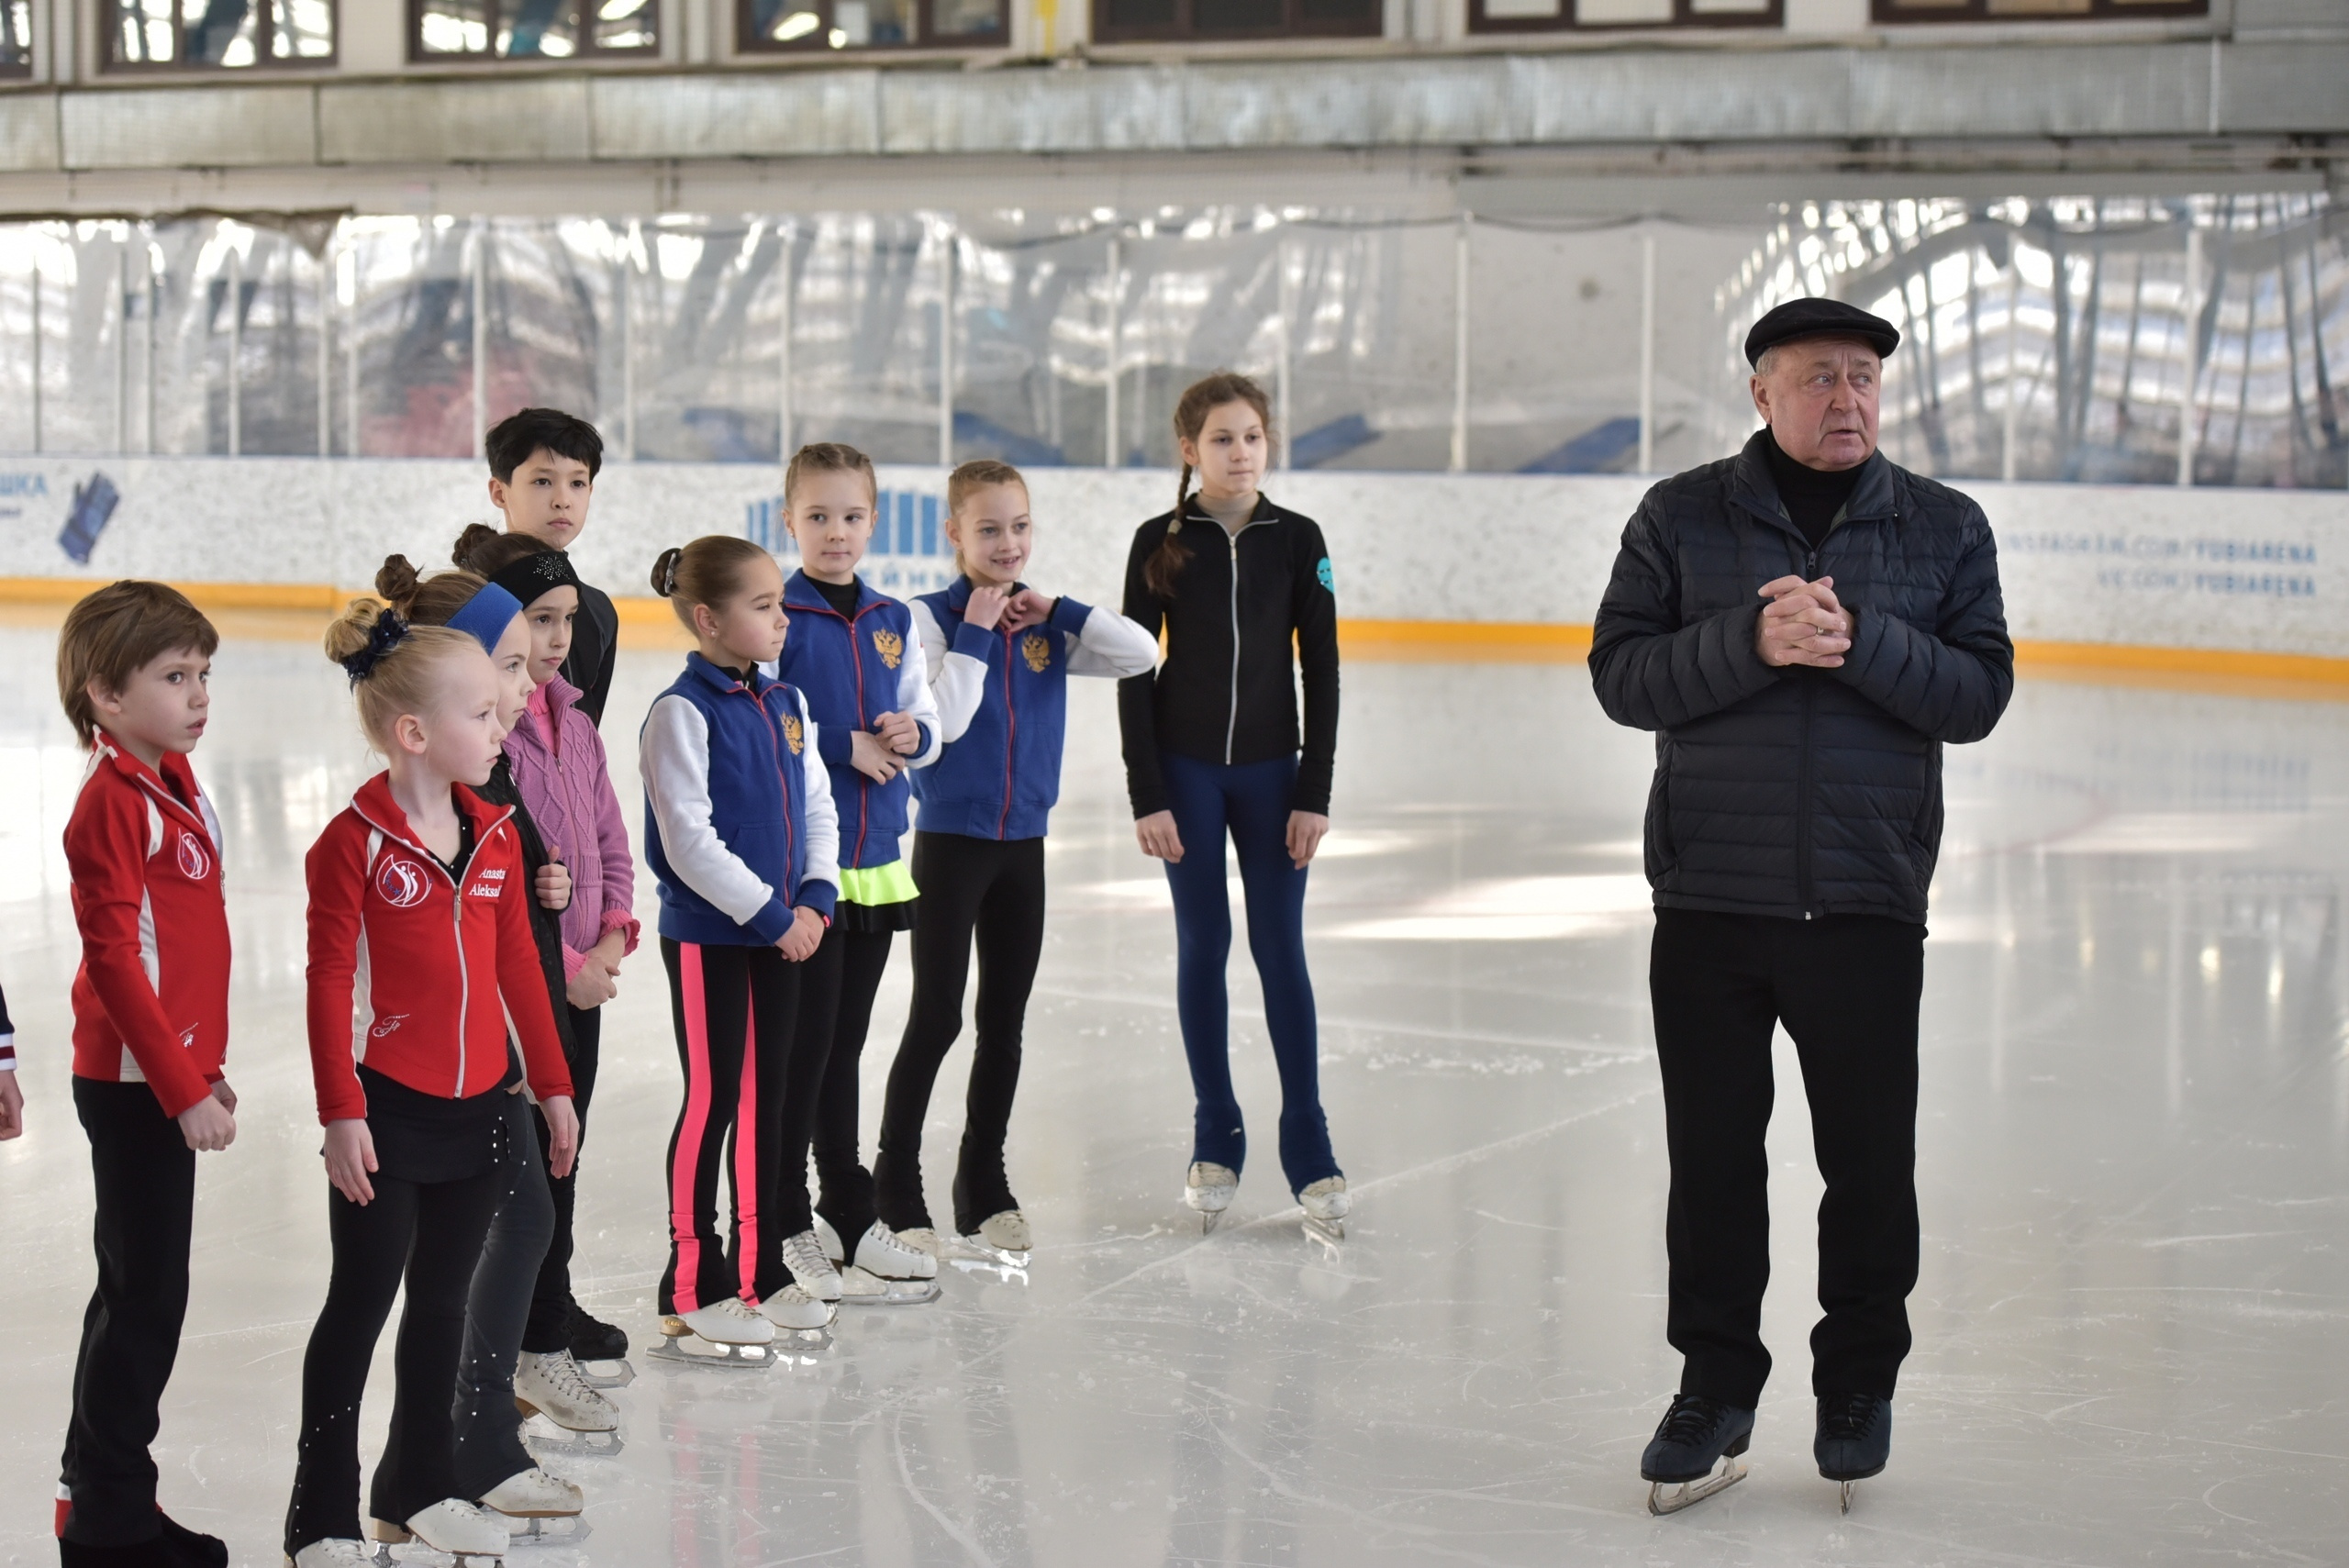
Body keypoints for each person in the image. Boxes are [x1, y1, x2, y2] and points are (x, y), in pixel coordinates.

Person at [1588, 297, 2013, 1515]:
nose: (1850, 400)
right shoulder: (1681, 515)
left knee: (1869, 1165)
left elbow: (1979, 690)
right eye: (1822, 377)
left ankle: (1855, 1388)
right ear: (1762, 393)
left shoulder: (1943, 527)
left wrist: (1862, 639)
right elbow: (1621, 674)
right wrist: (1751, 641)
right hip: (1712, 899)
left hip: (1868, 900)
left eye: (1867, 379)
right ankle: (1714, 1385)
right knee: (1713, 1164)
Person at [285, 600, 580, 1568]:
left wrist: (551, 1085)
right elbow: (329, 979)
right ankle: (318, 1517)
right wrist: (341, 1111)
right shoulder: (351, 842)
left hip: (484, 1109)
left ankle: (419, 1487)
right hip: (388, 1112)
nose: (504, 730)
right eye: (487, 716)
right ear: (415, 733)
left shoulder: (493, 832)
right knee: (360, 1308)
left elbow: (518, 971)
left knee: (444, 1307)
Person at [369, 555, 609, 1524]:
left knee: (517, 1229)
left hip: (496, 1061)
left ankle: (458, 1455)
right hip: (427, 1080)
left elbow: (515, 935)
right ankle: (432, 1467)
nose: (527, 680)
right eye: (510, 663)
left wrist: (543, 1073)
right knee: (435, 1272)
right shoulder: (438, 792)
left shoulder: (484, 783)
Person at [874, 459, 1157, 1262]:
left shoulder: (1046, 626)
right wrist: (975, 626)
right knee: (936, 1015)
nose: (1007, 543)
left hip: (1023, 848)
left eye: (1020, 526)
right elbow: (945, 723)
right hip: (951, 846)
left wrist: (1057, 609)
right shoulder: (925, 619)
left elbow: (1140, 654)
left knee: (1004, 1021)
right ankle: (896, 1184)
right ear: (954, 533)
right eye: (989, 528)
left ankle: (984, 1183)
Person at [1116, 372, 1346, 1241]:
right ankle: (1215, 1130)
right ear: (1189, 450)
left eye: (1252, 435)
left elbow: (1319, 670)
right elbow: (1136, 672)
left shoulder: (1299, 538)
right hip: (1186, 776)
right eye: (1221, 438)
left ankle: (1308, 1139)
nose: (1239, 451)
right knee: (1203, 942)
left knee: (1279, 947)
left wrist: (1313, 791)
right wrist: (1149, 793)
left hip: (1271, 778)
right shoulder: (1158, 542)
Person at [52, 581, 235, 1568]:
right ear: (106, 696)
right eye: (174, 676)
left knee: (137, 1291)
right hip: (131, 1086)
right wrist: (180, 1087)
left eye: (204, 673)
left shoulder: (170, 780)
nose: (199, 693)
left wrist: (206, 1068)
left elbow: (186, 949)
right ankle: (110, 1517)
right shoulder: (113, 802)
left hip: (162, 1075)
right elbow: (118, 961)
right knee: (145, 1299)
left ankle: (101, 1496)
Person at [640, 535, 840, 1357]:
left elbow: (818, 802)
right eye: (762, 605)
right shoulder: (680, 713)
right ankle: (692, 1282)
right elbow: (688, 840)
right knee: (714, 1099)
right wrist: (771, 916)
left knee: (770, 1100)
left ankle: (759, 1267)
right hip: (713, 940)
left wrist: (816, 897)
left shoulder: (787, 702)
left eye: (779, 601)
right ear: (708, 619)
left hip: (785, 932)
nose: (782, 616)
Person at [453, 524, 641, 1380]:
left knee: (566, 1151)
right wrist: (568, 968)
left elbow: (608, 837)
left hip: (584, 981)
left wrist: (608, 941)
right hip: (531, 985)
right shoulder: (496, 736)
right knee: (523, 1169)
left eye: (567, 618)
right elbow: (501, 887)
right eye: (540, 618)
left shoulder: (576, 719)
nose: (558, 638)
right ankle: (519, 1325)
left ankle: (549, 1302)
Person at [768, 441, 943, 1299]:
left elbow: (925, 710)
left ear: (874, 520)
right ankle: (788, 1216)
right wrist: (848, 744)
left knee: (845, 1046)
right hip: (810, 868)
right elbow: (762, 715)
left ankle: (847, 1207)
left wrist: (915, 735)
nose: (836, 532)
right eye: (818, 516)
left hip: (877, 862)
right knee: (803, 1052)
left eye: (852, 516)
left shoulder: (893, 617)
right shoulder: (777, 613)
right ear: (788, 520)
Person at [486, 407, 620, 727]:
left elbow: (588, 725)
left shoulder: (599, 612)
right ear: (499, 492)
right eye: (543, 481)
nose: (563, 500)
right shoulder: (474, 602)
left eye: (577, 483)